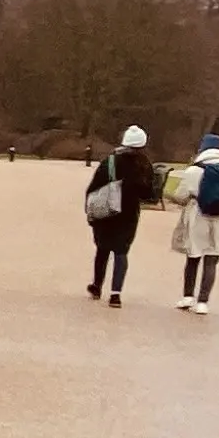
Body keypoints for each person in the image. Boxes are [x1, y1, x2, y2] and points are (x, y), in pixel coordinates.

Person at [83, 123, 161, 307]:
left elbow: (95, 186)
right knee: (121, 251)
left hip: (106, 211)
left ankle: (96, 285)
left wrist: (89, 207)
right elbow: (148, 193)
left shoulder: (110, 161)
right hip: (128, 212)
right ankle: (115, 294)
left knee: (102, 249)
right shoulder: (144, 164)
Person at [173, 136, 219, 311]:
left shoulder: (193, 171)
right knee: (212, 258)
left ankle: (188, 296)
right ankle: (203, 302)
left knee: (193, 255)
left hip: (198, 214)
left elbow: (180, 196)